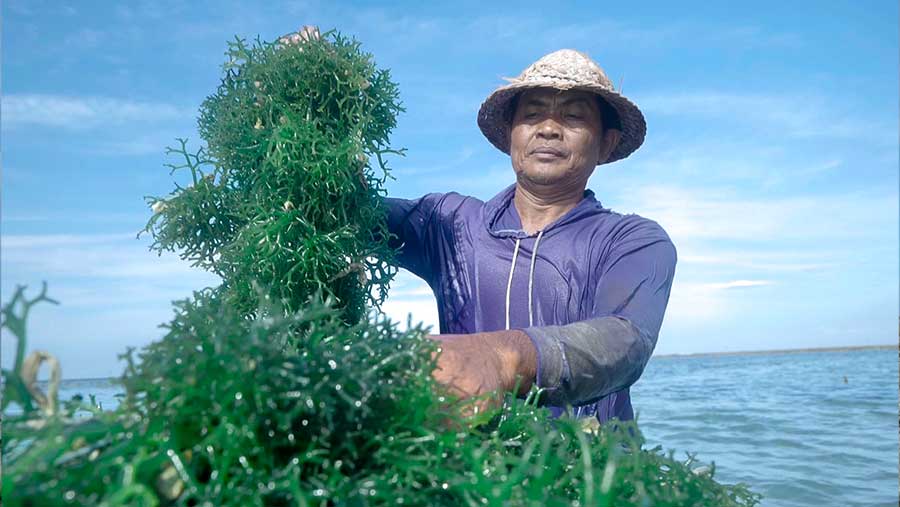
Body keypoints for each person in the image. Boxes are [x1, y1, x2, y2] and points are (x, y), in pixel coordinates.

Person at [385, 49, 677, 424]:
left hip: (590, 469)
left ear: (606, 142)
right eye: (532, 113)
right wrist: (308, 90)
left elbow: (625, 340)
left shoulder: (632, 239)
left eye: (573, 116)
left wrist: (501, 356)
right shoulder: (450, 224)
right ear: (511, 134)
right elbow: (341, 209)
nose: (549, 128)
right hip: (474, 464)